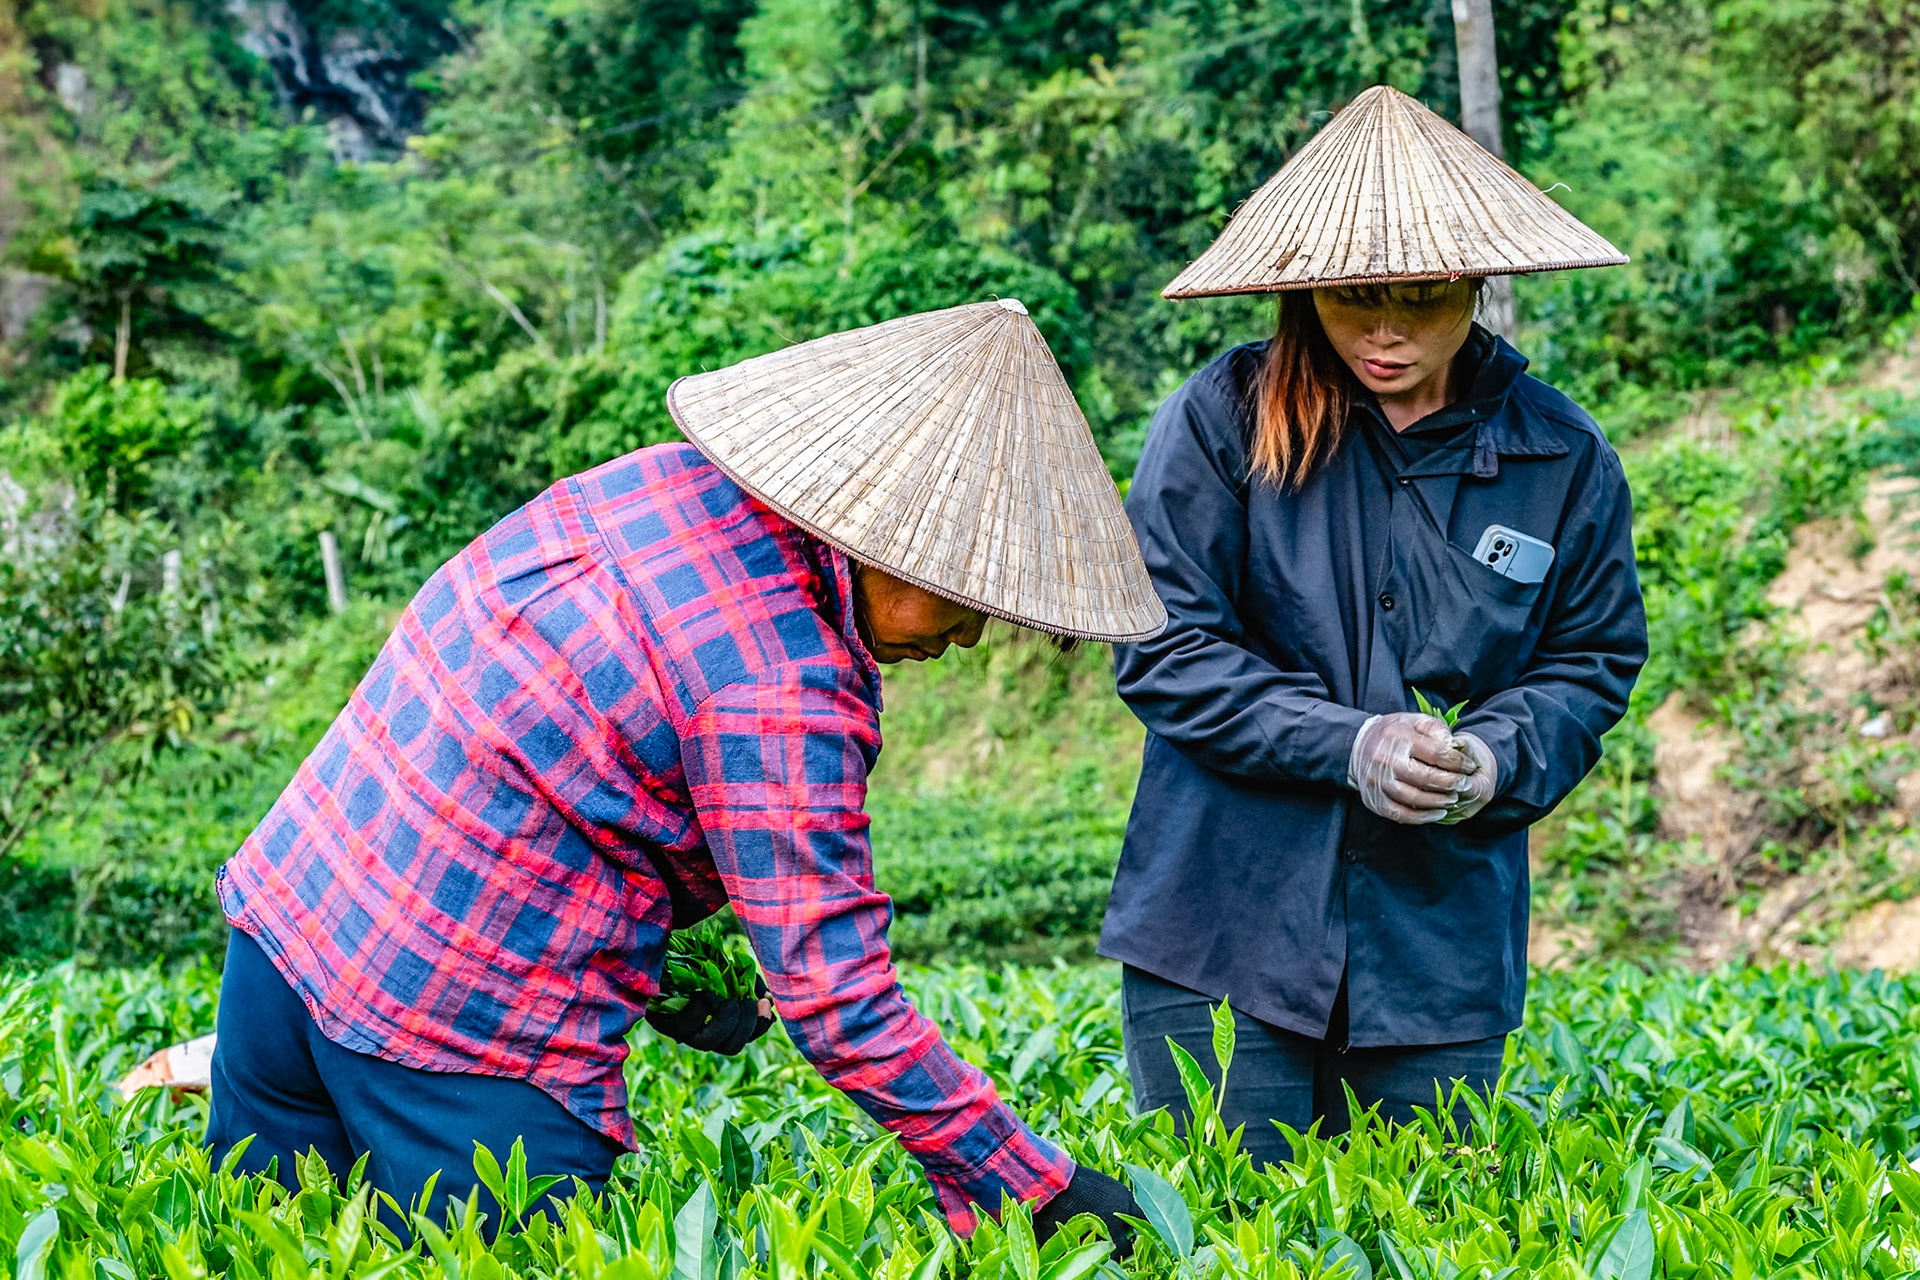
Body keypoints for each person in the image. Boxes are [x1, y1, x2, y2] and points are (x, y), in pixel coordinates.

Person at [207, 299, 1163, 1239]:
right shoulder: (786, 684)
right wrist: (1039, 1189)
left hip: (289, 930)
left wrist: (669, 968)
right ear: (886, 538)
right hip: (460, 1028)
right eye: (966, 594)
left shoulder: (655, 486)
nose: (971, 634)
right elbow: (839, 999)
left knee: (268, 1250)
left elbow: (559, 762)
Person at [1102, 86, 1648, 1162]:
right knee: (1219, 1231)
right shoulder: (1220, 421)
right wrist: (1348, 741)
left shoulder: (1561, 455)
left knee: (1423, 1232)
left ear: (1479, 283)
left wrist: (1496, 755)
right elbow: (1161, 644)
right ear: (1304, 290)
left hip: (1436, 944)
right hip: (1225, 921)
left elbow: (1590, 660)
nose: (1386, 331)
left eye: (1423, 297)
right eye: (1355, 299)